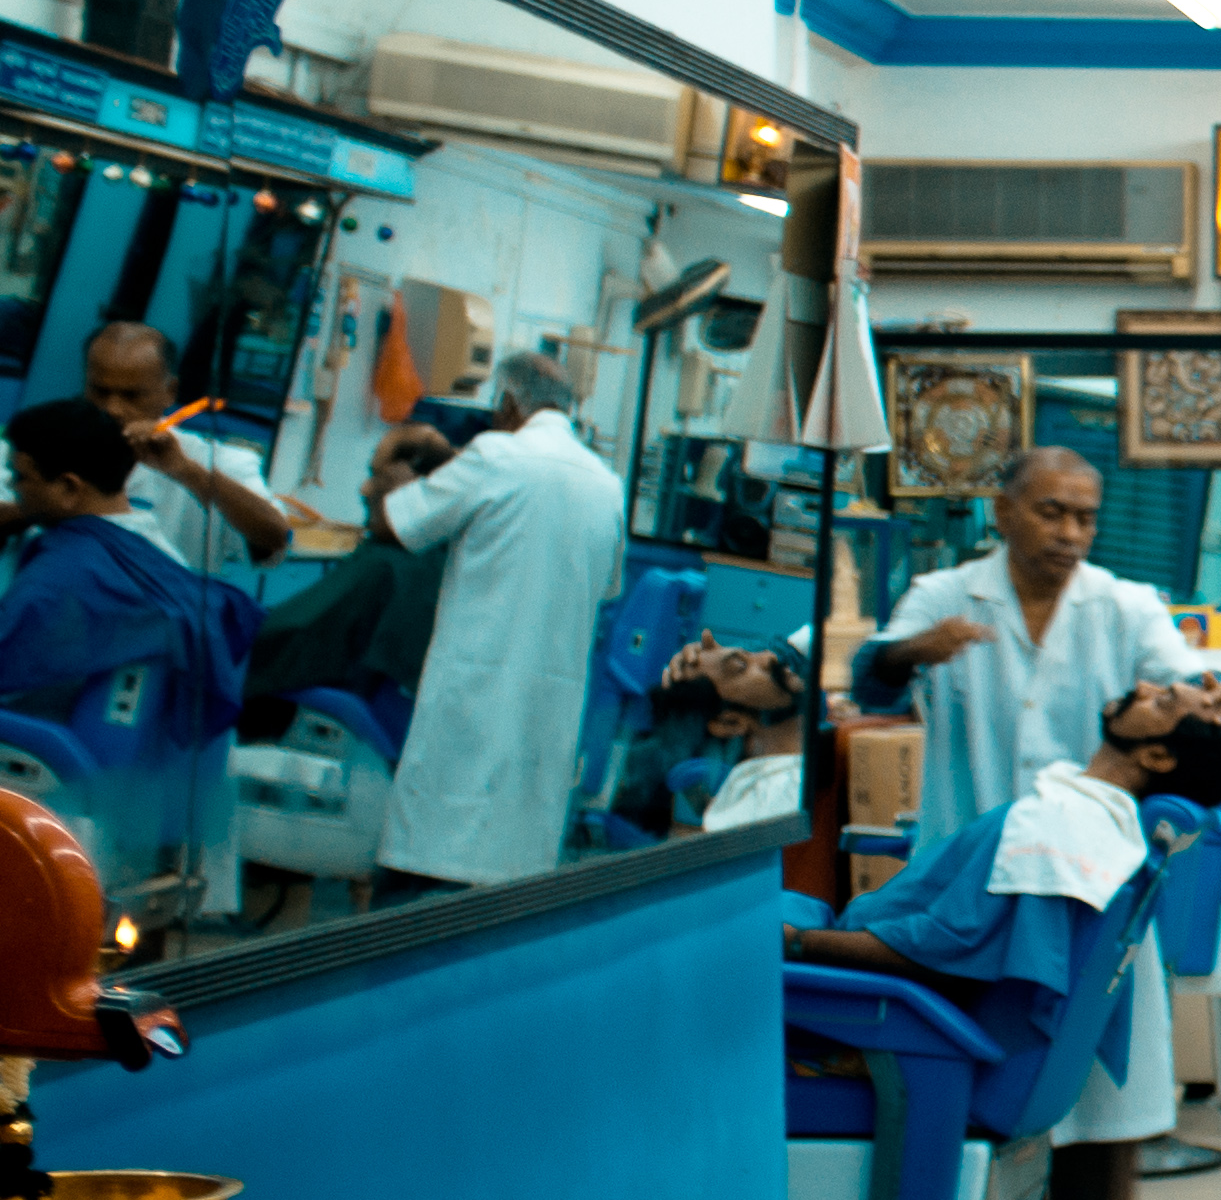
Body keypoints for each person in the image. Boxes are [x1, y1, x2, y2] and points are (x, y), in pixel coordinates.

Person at [782, 677, 1221, 1200]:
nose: (1143, 684)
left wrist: (799, 943)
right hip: (883, 975)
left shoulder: (1055, 829)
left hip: (885, 1017)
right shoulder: (1086, 825)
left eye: (1163, 701)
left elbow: (946, 960)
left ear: (1155, 753)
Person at [855, 447, 1203, 861]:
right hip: (962, 859)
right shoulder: (944, 595)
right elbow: (869, 688)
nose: (1069, 534)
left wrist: (1214, 694)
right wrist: (912, 651)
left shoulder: (1128, 608)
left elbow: (1186, 681)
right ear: (1004, 513)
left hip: (1083, 863)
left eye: (1085, 519)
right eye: (1051, 514)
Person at [378, 355, 624, 888]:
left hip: (469, 712)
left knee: (424, 885)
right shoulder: (606, 485)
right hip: (544, 731)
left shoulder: (495, 456)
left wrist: (389, 460)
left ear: (509, 404)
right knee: (502, 891)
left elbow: (394, 523)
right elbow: (608, 587)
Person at [0, 397, 257, 736]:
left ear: (67, 487)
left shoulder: (56, 580)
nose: (13, 490)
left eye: (20, 477)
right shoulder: (159, 553)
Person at [238, 425, 454, 734]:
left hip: (345, 722)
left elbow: (290, 637)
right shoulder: (437, 560)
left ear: (414, 484)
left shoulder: (386, 566)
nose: (365, 489)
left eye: (379, 476)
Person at [81, 321, 291, 581]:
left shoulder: (218, 461)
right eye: (100, 392)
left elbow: (277, 538)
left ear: (170, 392)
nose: (112, 408)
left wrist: (186, 471)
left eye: (131, 396)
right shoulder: (45, 446)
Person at [657, 636, 815, 834]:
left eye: (751, 654)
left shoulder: (803, 770)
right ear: (729, 722)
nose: (769, 656)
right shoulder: (777, 803)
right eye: (741, 665)